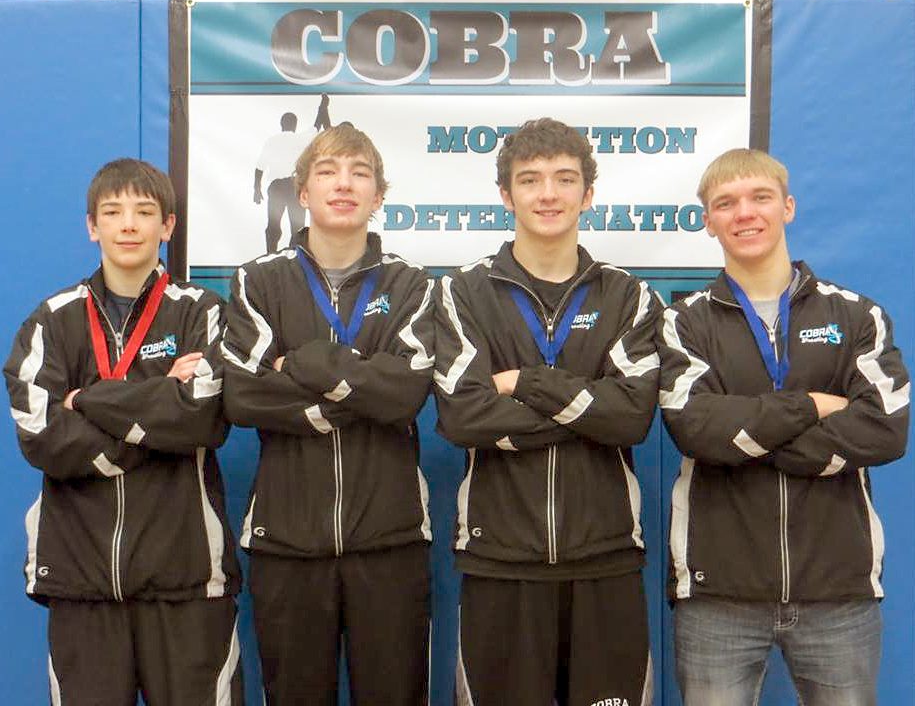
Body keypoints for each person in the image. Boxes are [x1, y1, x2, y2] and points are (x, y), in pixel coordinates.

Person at [656, 148, 910, 706]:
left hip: (838, 595)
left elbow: (885, 430)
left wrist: (751, 438)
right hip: (716, 595)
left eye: (760, 197)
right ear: (708, 221)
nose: (745, 213)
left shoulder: (855, 316)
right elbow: (697, 429)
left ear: (787, 207)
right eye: (726, 203)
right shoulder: (683, 322)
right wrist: (813, 407)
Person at [433, 117, 660, 706]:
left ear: (589, 194)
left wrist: (523, 383)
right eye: (530, 180)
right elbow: (464, 418)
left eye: (565, 179)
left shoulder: (627, 296)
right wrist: (584, 405)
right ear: (506, 196)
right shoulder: (464, 293)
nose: (548, 194)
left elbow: (632, 418)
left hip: (605, 557)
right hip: (499, 559)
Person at [4, 158, 243, 704]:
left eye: (144, 212)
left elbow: (202, 416)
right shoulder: (52, 320)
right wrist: (157, 407)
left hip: (186, 577)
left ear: (169, 226)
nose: (129, 225)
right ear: (93, 226)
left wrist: (86, 400)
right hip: (79, 579)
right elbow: (42, 435)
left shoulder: (202, 312)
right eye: (113, 213)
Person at [222, 123, 436, 705]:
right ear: (303, 191)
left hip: (389, 540)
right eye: (328, 172)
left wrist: (304, 363)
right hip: (287, 544)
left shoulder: (411, 285)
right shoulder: (257, 282)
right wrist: (358, 386)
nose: (344, 184)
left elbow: (405, 395)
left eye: (359, 173)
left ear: (378, 195)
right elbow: (243, 397)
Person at [254, 111, 314, 252]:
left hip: (277, 188)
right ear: (295, 125)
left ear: (281, 124)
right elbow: (317, 126)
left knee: (273, 226)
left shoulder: (272, 141)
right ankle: (294, 259)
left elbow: (259, 166)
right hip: (295, 187)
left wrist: (256, 189)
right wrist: (322, 106)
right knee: (297, 228)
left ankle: (270, 255)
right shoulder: (301, 139)